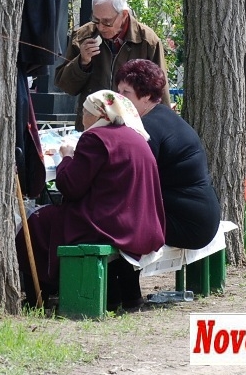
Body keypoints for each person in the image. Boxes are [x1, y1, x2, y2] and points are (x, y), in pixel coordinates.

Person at [15, 90, 165, 310]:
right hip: (143, 224)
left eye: (85, 112)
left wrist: (65, 158)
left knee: (37, 221)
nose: (81, 118)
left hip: (110, 225)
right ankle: (121, 297)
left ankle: (37, 298)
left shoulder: (95, 138)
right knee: (47, 218)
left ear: (98, 115)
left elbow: (70, 187)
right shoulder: (135, 136)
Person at [116, 59, 221, 250]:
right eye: (118, 91)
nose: (118, 98)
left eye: (126, 93)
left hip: (188, 223)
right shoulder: (162, 116)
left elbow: (129, 178)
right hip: (200, 216)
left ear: (146, 95)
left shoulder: (147, 128)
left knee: (113, 225)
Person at [54, 0, 169, 131]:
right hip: (93, 125)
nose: (101, 27)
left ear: (124, 15)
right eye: (96, 20)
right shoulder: (83, 36)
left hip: (132, 127)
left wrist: (162, 130)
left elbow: (160, 93)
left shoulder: (147, 41)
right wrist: (82, 62)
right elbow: (65, 86)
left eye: (107, 21)